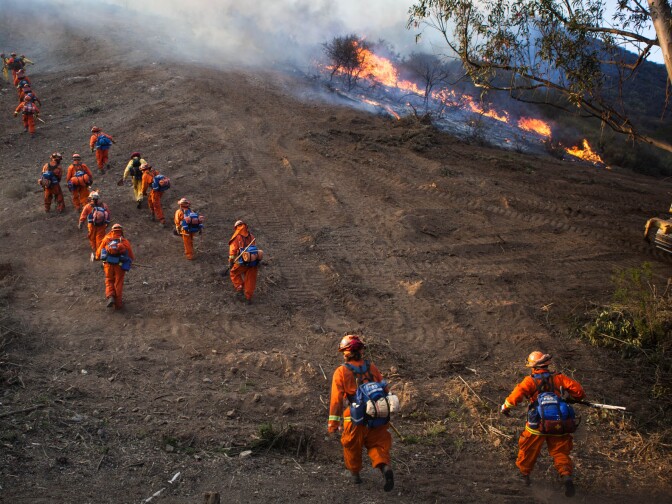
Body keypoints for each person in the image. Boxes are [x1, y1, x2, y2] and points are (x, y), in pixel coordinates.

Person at [500, 351, 586, 497]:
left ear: (533, 367)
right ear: (546, 364)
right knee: (560, 452)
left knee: (528, 449)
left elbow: (516, 395)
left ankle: (524, 476)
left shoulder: (529, 381)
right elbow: (578, 391)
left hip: (537, 424)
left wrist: (505, 407)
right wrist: (572, 398)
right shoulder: (559, 378)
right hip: (559, 423)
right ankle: (566, 476)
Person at [328, 334, 394, 491]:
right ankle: (384, 467)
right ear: (361, 351)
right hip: (377, 415)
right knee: (378, 443)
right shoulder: (371, 367)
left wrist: (333, 424)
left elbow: (336, 400)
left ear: (347, 352)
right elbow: (384, 388)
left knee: (352, 446)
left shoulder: (341, 372)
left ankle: (355, 475)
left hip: (355, 416)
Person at [95, 223, 134, 310]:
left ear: (112, 230)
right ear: (121, 231)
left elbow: (99, 253)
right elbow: (131, 256)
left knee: (109, 280)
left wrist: (97, 257)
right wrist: (129, 262)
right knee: (118, 283)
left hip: (108, 265)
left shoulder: (107, 239)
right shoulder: (124, 242)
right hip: (120, 266)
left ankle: (110, 295)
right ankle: (118, 305)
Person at [228, 220, 262, 304]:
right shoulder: (251, 236)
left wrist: (231, 261)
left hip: (241, 262)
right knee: (250, 280)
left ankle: (239, 287)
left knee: (233, 273)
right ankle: (248, 297)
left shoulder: (236, 237)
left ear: (236, 227)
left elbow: (232, 251)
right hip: (253, 262)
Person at [79, 191, 110, 259]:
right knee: (100, 239)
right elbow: (107, 214)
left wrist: (81, 222)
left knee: (92, 238)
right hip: (101, 225)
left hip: (92, 225)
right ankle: (99, 252)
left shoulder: (88, 206)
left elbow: (83, 215)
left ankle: (95, 250)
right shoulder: (104, 205)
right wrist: (107, 222)